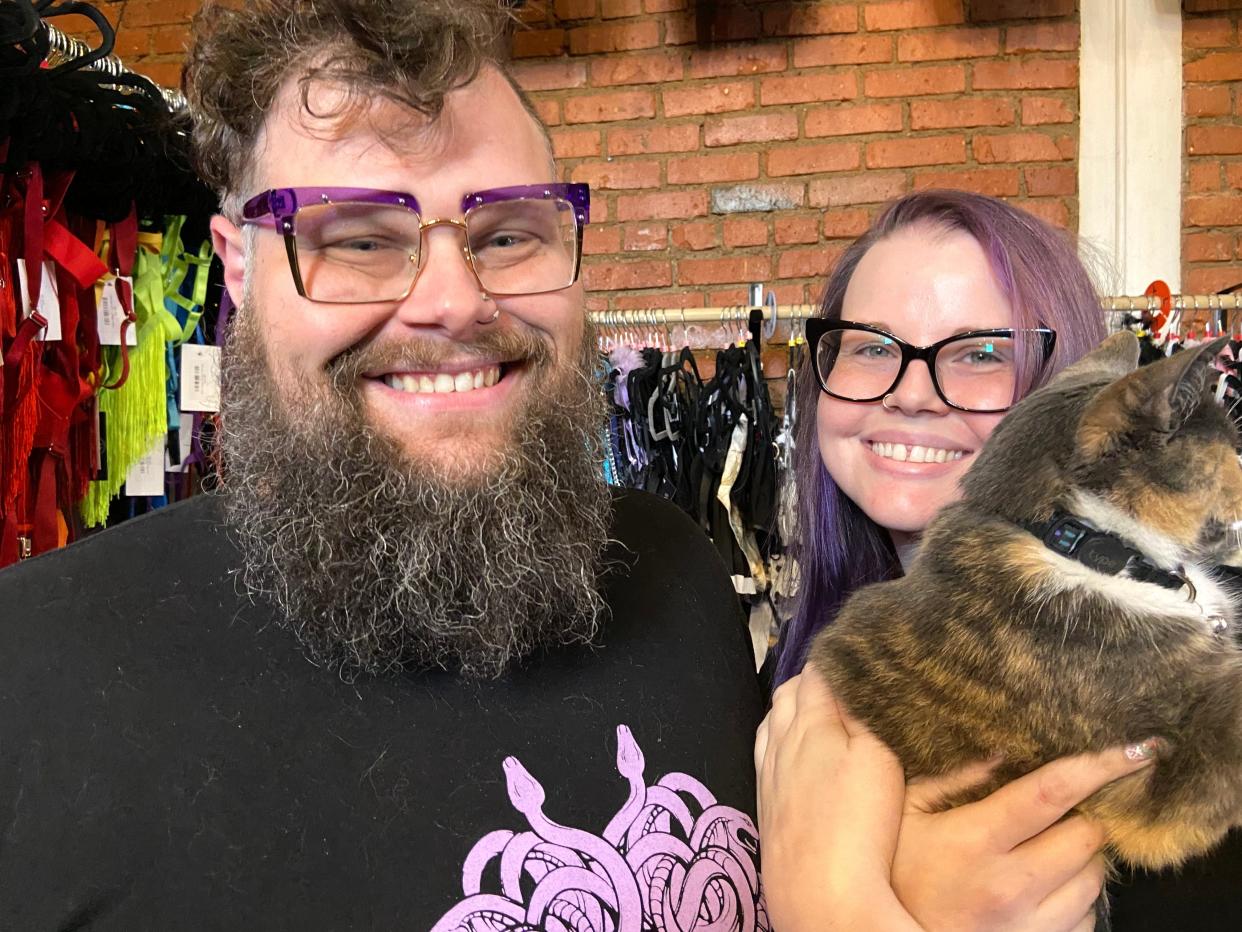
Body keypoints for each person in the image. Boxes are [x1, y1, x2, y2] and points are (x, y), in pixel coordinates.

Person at [0, 1, 765, 927]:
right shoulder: (31, 679)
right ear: (238, 270)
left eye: (509, 233)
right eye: (360, 239)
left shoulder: (679, 573)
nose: (454, 302)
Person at [754, 190, 1210, 931]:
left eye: (982, 355)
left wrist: (837, 909)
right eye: (871, 346)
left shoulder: (1179, 706)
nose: (908, 394)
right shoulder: (795, 670)